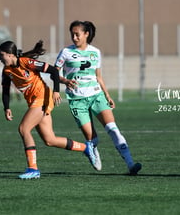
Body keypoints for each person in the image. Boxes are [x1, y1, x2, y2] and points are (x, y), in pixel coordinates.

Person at [0, 40, 97, 180]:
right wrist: (6, 108)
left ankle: (33, 169)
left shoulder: (27, 63)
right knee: (50, 140)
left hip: (43, 98)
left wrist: (56, 91)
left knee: (23, 129)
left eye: (1, 55)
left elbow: (53, 71)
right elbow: (6, 90)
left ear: (10, 55)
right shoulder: (7, 71)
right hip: (33, 102)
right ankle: (86, 148)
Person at [55, 20, 142, 175]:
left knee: (113, 129)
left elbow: (98, 76)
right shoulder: (66, 52)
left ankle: (130, 164)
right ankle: (92, 149)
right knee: (92, 138)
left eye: (77, 34)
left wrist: (107, 95)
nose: (74, 37)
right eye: (72, 34)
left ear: (86, 34)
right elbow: (55, 73)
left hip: (96, 95)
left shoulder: (95, 52)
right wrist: (65, 80)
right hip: (77, 100)